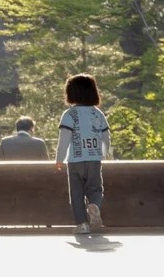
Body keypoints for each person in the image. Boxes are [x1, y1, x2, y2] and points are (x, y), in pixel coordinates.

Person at [54, 73, 111, 235]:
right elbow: (106, 137)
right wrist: (104, 154)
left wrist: (59, 159)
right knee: (95, 189)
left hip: (75, 160)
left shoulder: (69, 115)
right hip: (94, 159)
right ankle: (94, 205)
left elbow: (64, 139)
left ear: (70, 93)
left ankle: (82, 224)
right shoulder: (98, 114)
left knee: (76, 193)